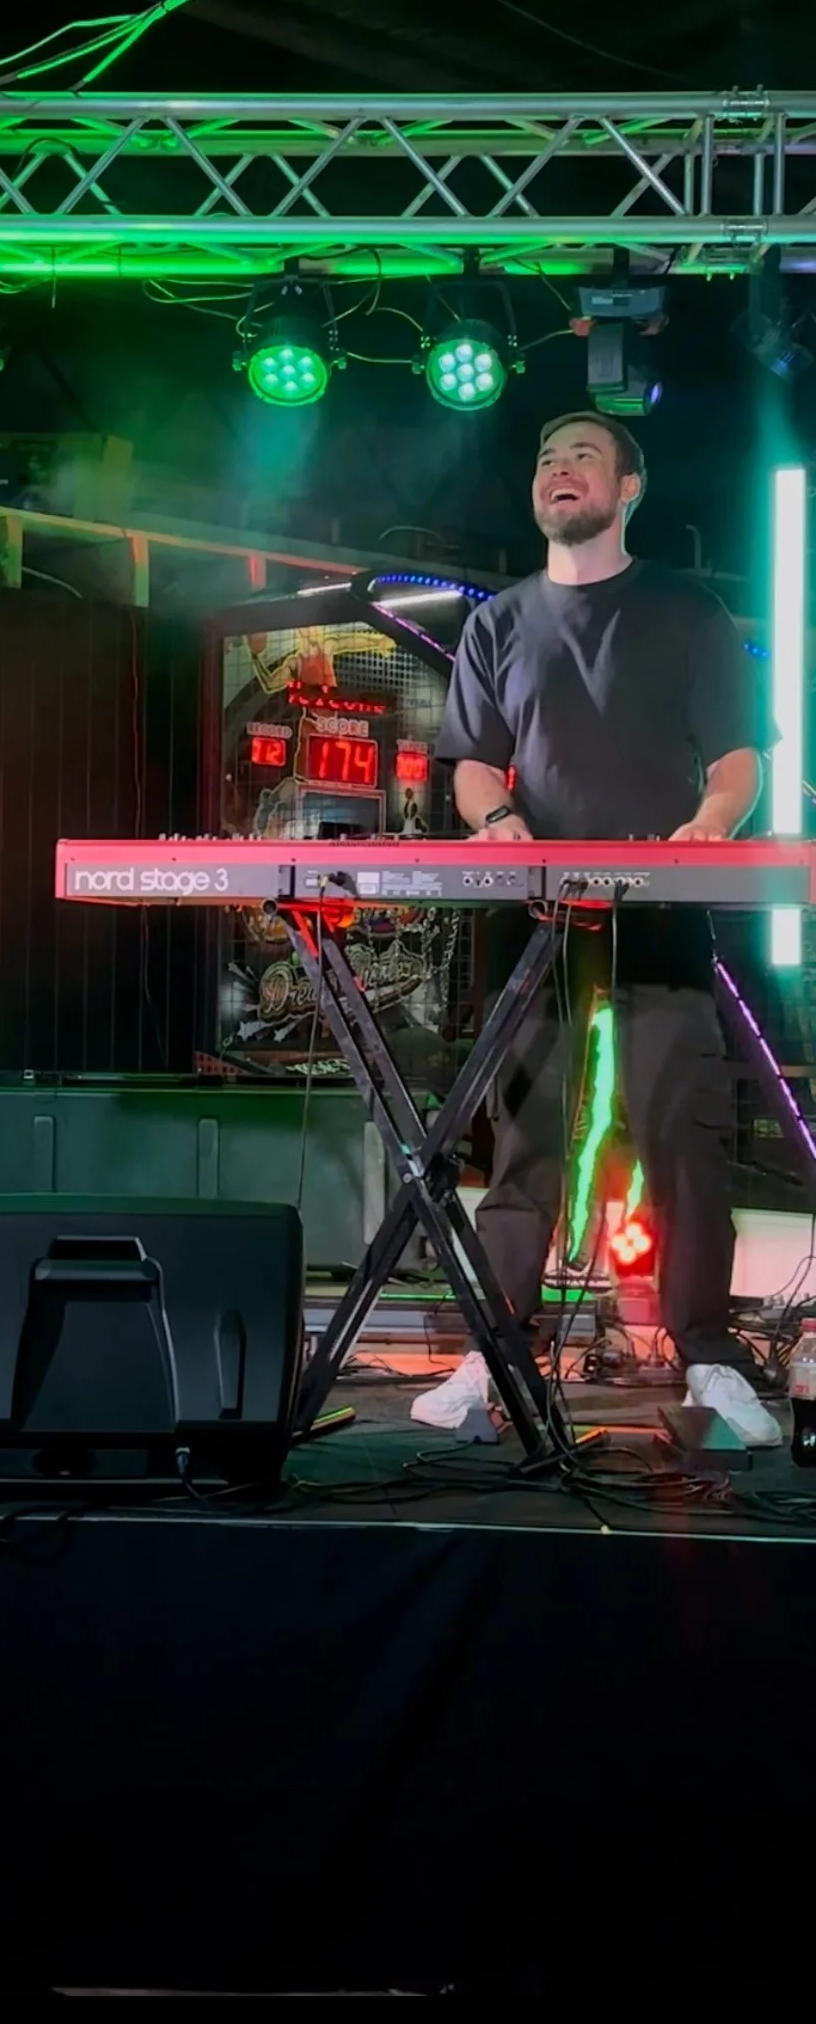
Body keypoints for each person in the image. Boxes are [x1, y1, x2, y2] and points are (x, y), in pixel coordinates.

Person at [412, 409, 782, 1449]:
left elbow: (738, 758)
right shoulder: (498, 623)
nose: (559, 470)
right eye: (547, 459)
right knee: (524, 1137)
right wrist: (498, 820)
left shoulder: (687, 610)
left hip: (659, 909)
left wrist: (709, 827)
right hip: (539, 912)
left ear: (629, 488)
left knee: (684, 1136)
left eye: (583, 457)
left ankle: (708, 1355)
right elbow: (472, 760)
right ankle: (496, 1350)